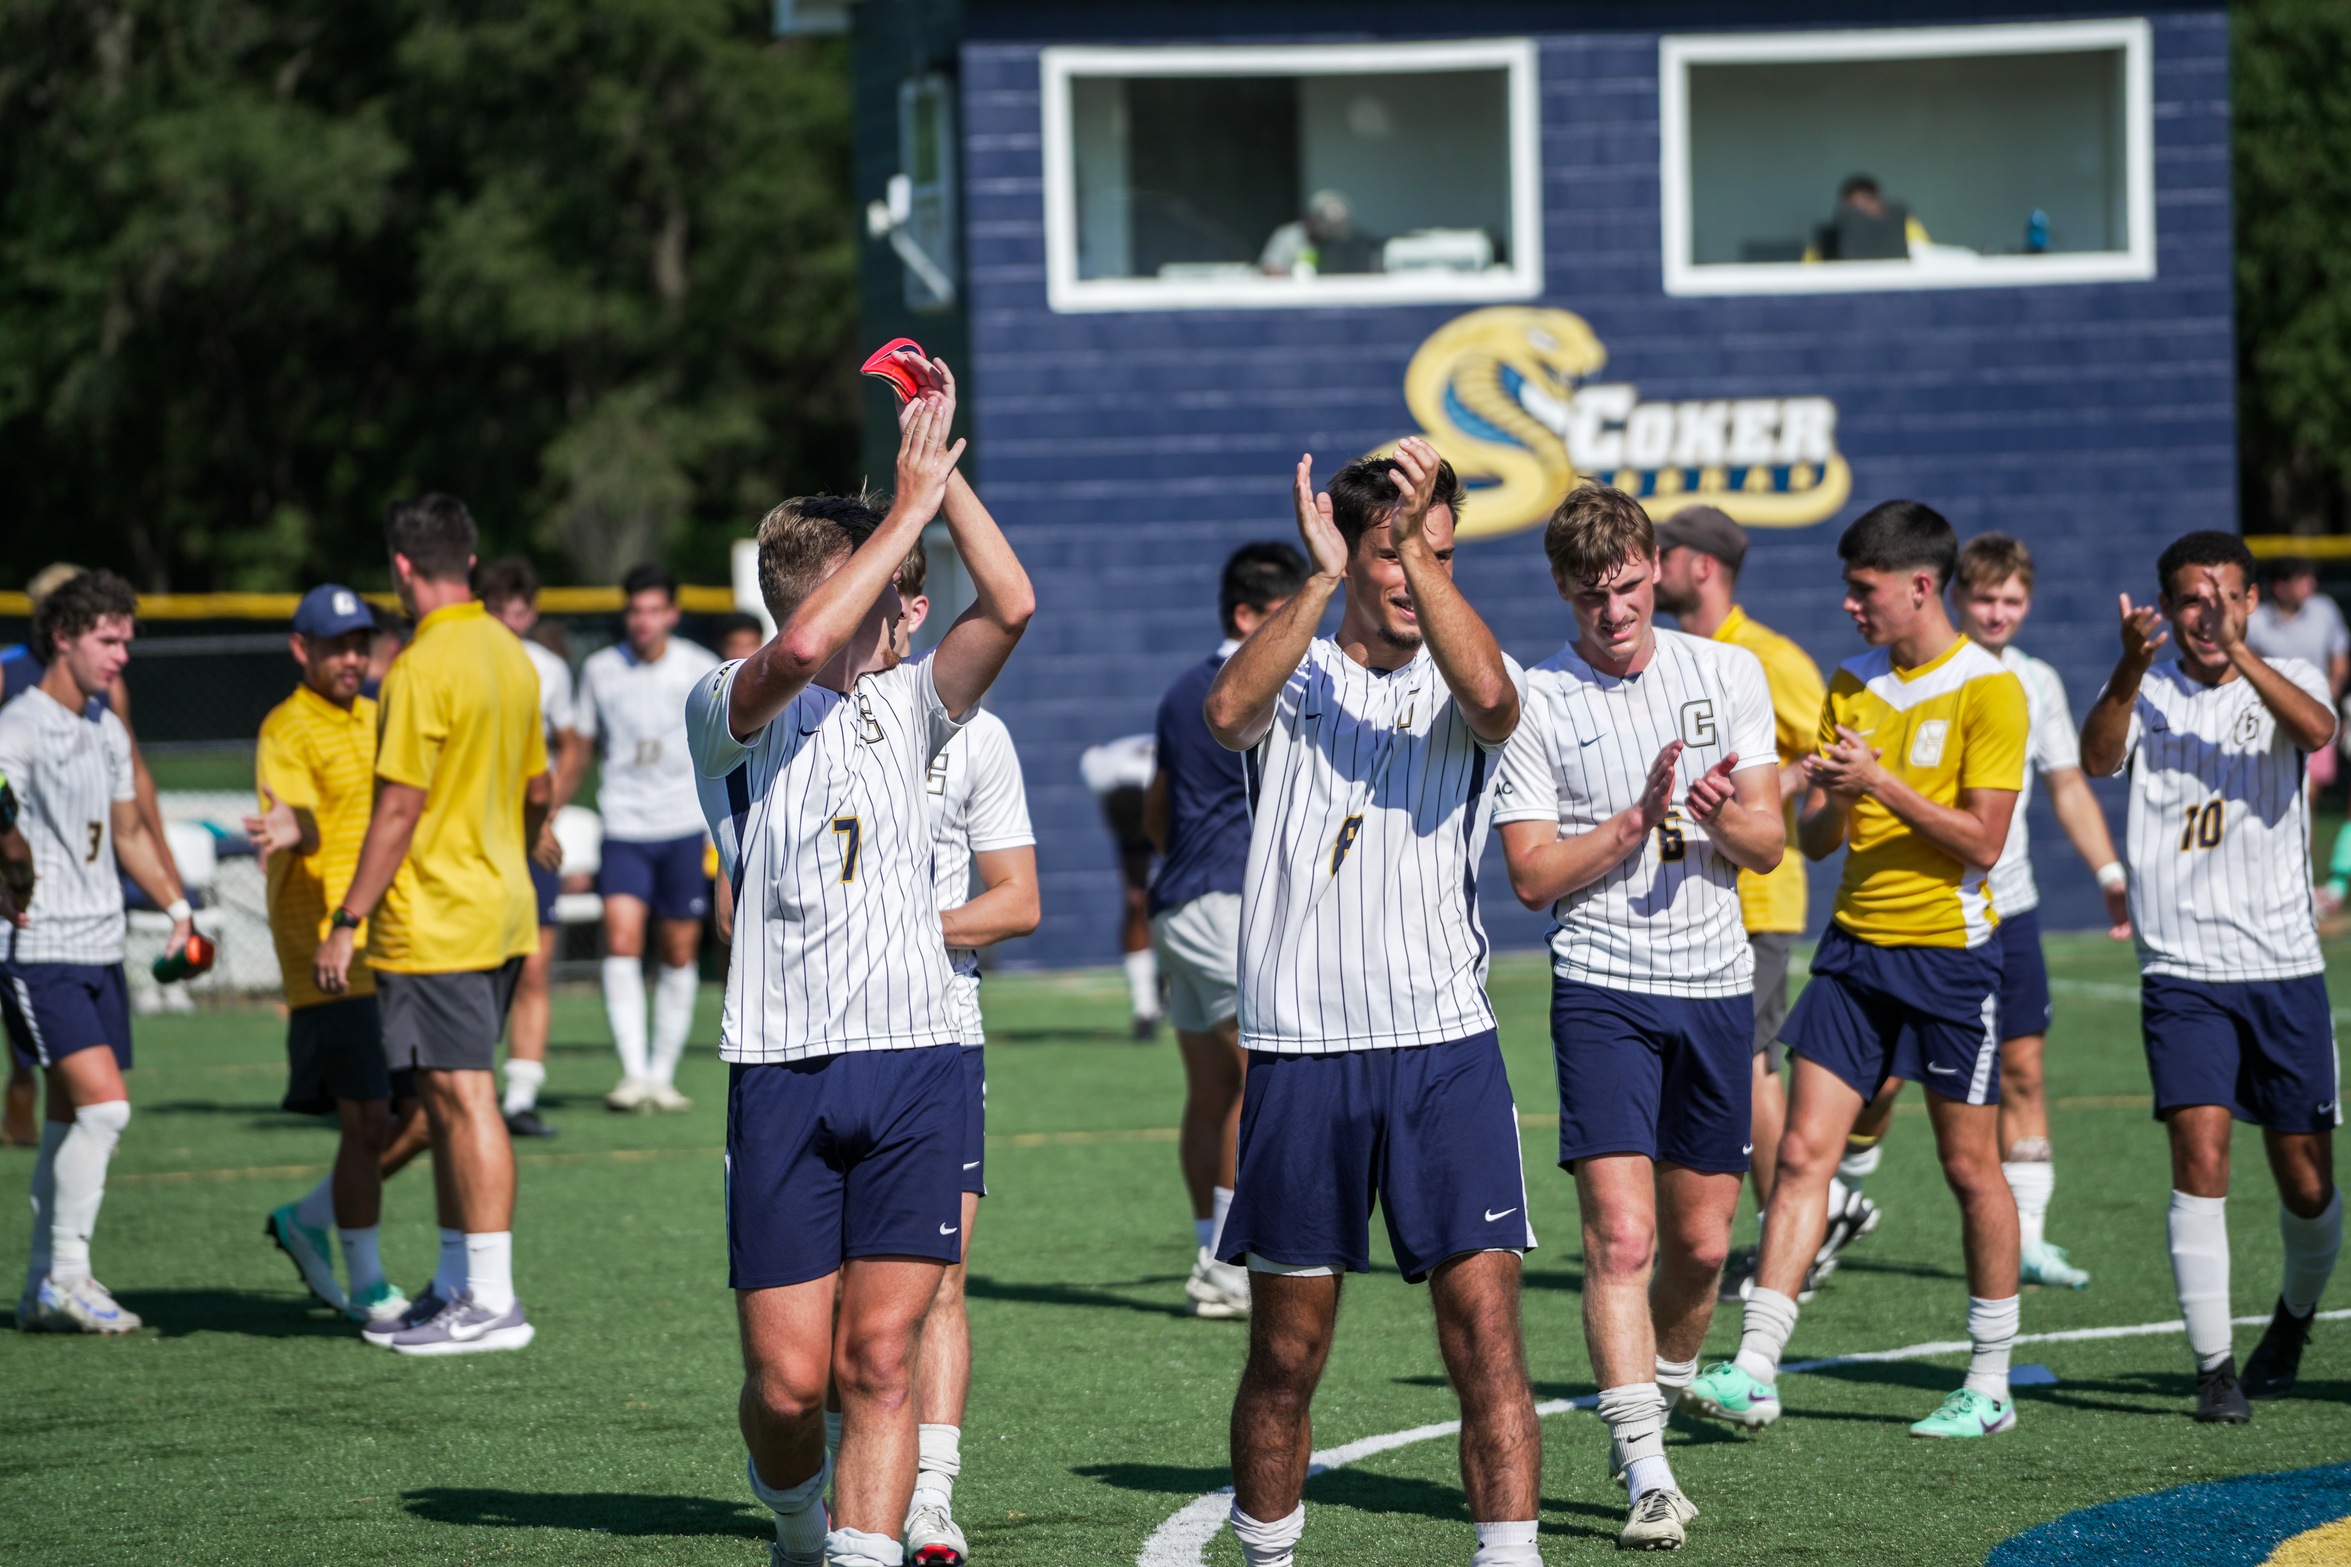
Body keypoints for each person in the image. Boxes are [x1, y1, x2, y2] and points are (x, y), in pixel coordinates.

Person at [686, 358, 1031, 1567]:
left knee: (879, 1359)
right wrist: (900, 510)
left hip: (917, 1062)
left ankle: (865, 1545)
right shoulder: (730, 700)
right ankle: (793, 1512)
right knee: (789, 1389)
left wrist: (943, 472)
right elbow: (800, 650)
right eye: (886, 586)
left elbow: (1012, 603)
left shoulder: (914, 702)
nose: (905, 610)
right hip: (780, 1066)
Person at [1205, 439, 1538, 1567]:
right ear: (1350, 557)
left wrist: (1411, 547)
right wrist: (1324, 572)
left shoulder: (1472, 666)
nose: (1411, 572)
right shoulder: (1297, 663)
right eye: (1392, 555)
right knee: (1287, 1355)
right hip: (1302, 1055)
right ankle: (1266, 1555)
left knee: (1485, 1337)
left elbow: (1490, 701)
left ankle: (1509, 1557)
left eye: (1436, 550)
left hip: (1444, 1052)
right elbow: (1224, 713)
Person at [1687, 500, 2028, 1441]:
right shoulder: (1852, 681)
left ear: (1920, 586)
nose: (1848, 604)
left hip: (1950, 957)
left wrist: (1879, 781)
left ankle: (1989, 1382)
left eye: (1862, 588)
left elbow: (1984, 843)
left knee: (1968, 1167)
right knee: (1799, 1156)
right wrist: (1836, 794)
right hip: (1851, 952)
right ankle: (1755, 1368)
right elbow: (1817, 836)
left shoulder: (1989, 690)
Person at [1495, 484, 1782, 1548]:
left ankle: (1652, 1398)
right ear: (1561, 592)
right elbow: (1530, 877)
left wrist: (1718, 815)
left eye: (1623, 586)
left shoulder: (1725, 671)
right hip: (1603, 985)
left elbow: (1767, 849)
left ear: (1654, 567)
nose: (1611, 611)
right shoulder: (1535, 699)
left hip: (1714, 982)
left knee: (1702, 1248)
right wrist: (1630, 822)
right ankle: (1645, 1470)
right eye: (1587, 595)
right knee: (1621, 1236)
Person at [2079, 530, 2343, 1424]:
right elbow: (2096, 758)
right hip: (2183, 970)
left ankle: (2292, 1320)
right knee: (2199, 1153)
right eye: (2191, 599)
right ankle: (2212, 1367)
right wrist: (2124, 669)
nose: (2207, 613)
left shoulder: (2288, 677)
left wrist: (2238, 650)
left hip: (2282, 968)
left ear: (2249, 600)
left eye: (2225, 596)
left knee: (2306, 1181)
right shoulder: (2142, 690)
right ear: (2164, 604)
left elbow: (2316, 734)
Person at [314, 494, 554, 1356]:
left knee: (463, 1095)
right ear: (471, 558)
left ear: (403, 567)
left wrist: (347, 918)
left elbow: (397, 809)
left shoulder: (417, 666)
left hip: (438, 915)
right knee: (455, 1099)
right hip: (497, 906)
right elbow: (538, 788)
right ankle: (457, 1282)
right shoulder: (513, 654)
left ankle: (492, 1298)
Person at [1649, 506, 1846, 1302]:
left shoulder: (1764, 655)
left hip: (1758, 895)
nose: (1646, 567)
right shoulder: (1664, 657)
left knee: (1746, 1063)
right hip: (1687, 888)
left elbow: (1827, 747)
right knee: (1742, 1067)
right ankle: (1795, 1223)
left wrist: (1759, 791)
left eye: (1661, 553)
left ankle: (1798, 1228)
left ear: (1700, 565)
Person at [894, 543, 1041, 1567]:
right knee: (830, 1304)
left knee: (942, 1277)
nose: (894, 614)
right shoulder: (788, 718)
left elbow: (1017, 902)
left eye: (905, 593)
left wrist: (897, 929)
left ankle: (931, 1501)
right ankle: (826, 1485)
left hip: (941, 1040)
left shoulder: (978, 737)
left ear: (913, 605)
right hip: (807, 1043)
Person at [0, 570, 193, 1333]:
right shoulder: (18, 723)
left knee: (67, 1117)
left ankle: (41, 1284)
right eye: (108, 640)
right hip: (35, 949)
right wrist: (10, 856)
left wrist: (178, 906)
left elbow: (130, 833)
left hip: (99, 947)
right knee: (106, 1109)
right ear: (64, 637)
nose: (122, 655)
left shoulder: (105, 725)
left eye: (127, 640)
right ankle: (73, 1276)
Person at [1143, 542, 1308, 1321]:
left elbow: (1156, 806)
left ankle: (1209, 1248)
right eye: (1284, 614)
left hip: (1179, 901)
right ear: (1246, 615)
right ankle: (1225, 1263)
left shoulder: (1180, 688)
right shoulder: (1252, 684)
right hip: (1226, 901)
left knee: (1210, 1090)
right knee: (1258, 1078)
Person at [247, 586, 413, 1324]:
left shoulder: (383, 715)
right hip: (329, 948)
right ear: (300, 649)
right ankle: (369, 1280)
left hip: (397, 940)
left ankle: (309, 1217)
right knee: (368, 1117)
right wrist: (295, 829)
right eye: (335, 644)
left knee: (437, 1113)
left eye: (359, 642)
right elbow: (295, 816)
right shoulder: (284, 726)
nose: (352, 657)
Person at [576, 563, 720, 1113]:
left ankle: (662, 1073)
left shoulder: (700, 667)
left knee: (680, 948)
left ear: (672, 615)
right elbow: (581, 744)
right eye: (635, 610)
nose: (643, 620)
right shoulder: (598, 670)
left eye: (654, 609)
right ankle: (633, 1072)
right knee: (620, 937)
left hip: (684, 825)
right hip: (623, 826)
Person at [478, 558, 585, 1138]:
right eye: (497, 610)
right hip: (476, 833)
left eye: (517, 611)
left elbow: (570, 747)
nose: (508, 622)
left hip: (528, 830)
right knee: (476, 961)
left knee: (535, 965)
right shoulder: (467, 662)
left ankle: (519, 1095)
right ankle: (466, 1086)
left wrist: (547, 813)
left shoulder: (546, 668)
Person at [1079, 733, 1161, 1038]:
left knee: (1181, 897)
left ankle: (1172, 981)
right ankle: (1145, 1007)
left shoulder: (1168, 778)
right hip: (1144, 794)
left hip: (1178, 807)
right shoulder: (1100, 772)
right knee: (1136, 899)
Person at [1258, 189, 1379, 277]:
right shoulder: (1288, 236)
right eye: (1326, 224)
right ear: (1311, 219)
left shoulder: (1346, 238)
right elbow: (1270, 269)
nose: (1330, 230)